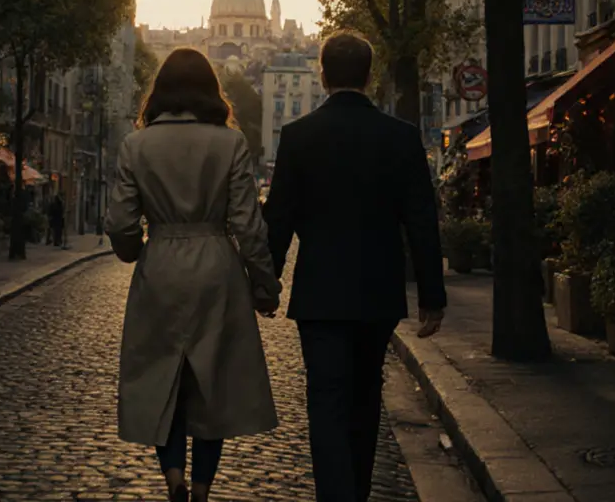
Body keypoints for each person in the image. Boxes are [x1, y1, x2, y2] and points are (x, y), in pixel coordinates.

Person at [263, 32, 447, 502]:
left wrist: (266, 282)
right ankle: (357, 493)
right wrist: (432, 294)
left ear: (321, 75)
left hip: (320, 292)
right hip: (378, 290)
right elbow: (422, 219)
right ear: (370, 74)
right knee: (366, 399)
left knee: (326, 402)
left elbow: (279, 218)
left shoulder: (298, 137)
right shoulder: (401, 137)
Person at [105, 48, 282, 502]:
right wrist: (264, 283)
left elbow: (123, 224)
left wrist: (134, 252)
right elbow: (248, 224)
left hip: (161, 261)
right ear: (211, 90)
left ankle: (173, 476)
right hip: (216, 266)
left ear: (159, 91)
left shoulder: (136, 145)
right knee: (212, 383)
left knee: (162, 377)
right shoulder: (231, 143)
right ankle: (202, 487)